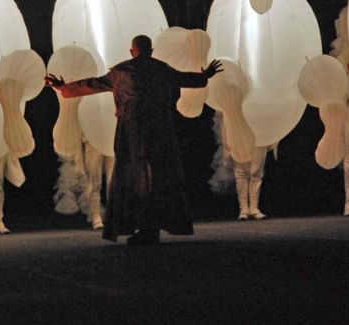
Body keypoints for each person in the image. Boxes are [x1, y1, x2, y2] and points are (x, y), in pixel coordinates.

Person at [46, 35, 222, 245]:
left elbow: (92, 84)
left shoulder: (121, 71)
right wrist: (205, 76)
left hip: (132, 132)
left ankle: (144, 227)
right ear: (152, 50)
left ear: (132, 52)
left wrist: (63, 87)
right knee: (156, 176)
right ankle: (151, 227)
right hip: (159, 131)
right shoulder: (160, 69)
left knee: (134, 177)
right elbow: (186, 79)